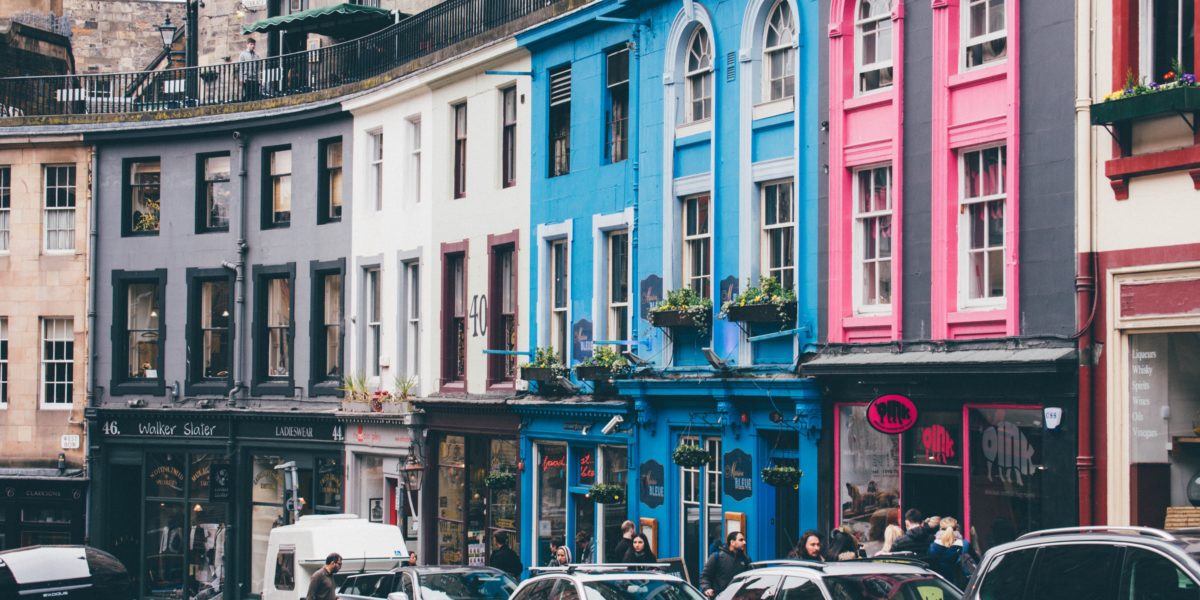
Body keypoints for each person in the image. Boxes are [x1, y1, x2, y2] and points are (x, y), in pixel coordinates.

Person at [699, 532, 751, 598]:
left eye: (744, 540)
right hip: (720, 596)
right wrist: (707, 588)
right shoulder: (716, 557)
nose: (744, 542)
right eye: (741, 540)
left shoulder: (746, 559)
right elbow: (705, 576)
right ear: (732, 542)